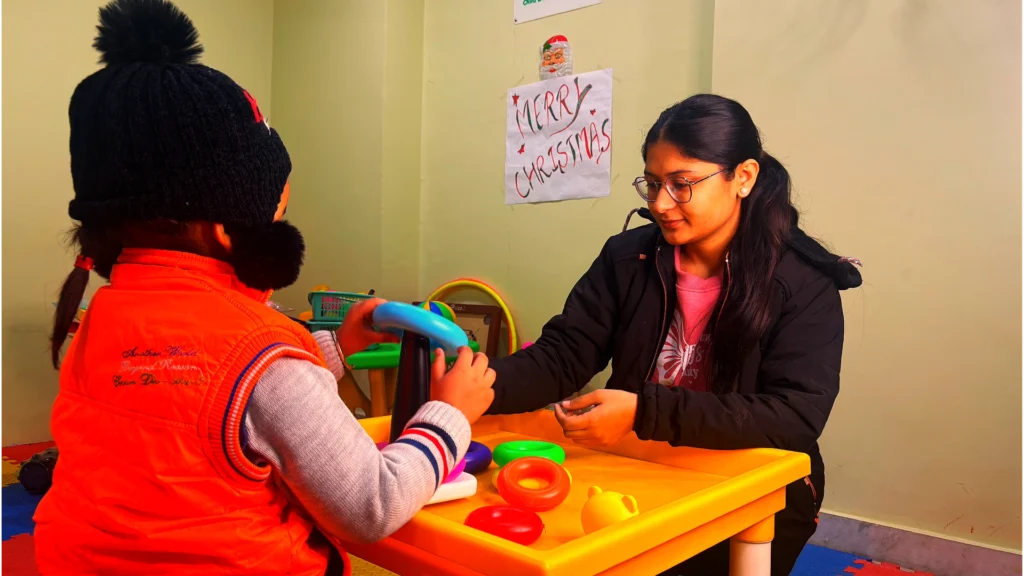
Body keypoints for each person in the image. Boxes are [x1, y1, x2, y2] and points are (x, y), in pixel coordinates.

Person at [33, 1, 495, 574]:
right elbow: (371, 505)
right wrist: (448, 414)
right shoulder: (266, 358)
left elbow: (202, 399)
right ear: (226, 229)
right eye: (277, 210)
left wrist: (332, 347)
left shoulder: (103, 319)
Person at [487, 94, 862, 575]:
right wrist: (484, 383)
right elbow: (564, 356)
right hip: (643, 467)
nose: (661, 204)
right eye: (652, 184)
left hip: (755, 488)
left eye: (682, 185)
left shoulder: (803, 280)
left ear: (743, 177)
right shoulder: (628, 258)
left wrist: (644, 412)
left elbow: (794, 416)